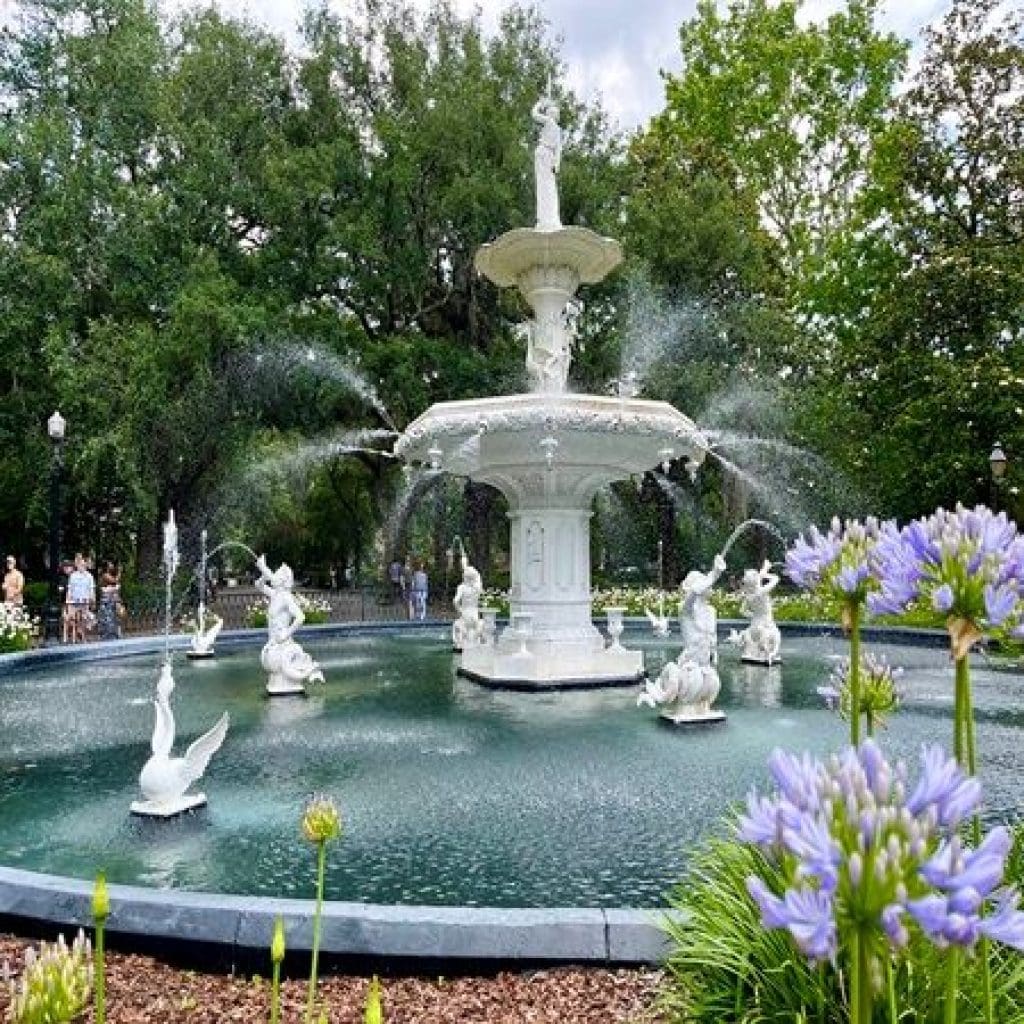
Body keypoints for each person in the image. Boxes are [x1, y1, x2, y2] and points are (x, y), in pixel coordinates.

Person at [65, 552, 96, 644]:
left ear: (85, 565)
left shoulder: (89, 576)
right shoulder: (73, 576)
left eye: (83, 565)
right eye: (80, 565)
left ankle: (81, 634)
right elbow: (70, 589)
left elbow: (91, 589)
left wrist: (92, 599)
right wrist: (68, 600)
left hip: (85, 600)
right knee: (71, 618)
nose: (81, 566)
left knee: (87, 618)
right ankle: (73, 636)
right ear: (77, 565)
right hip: (73, 601)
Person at [97, 561, 121, 640]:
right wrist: (119, 573)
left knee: (113, 617)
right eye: (110, 564)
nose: (112, 566)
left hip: (111, 599)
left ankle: (113, 634)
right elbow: (114, 581)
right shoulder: (105, 575)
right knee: (108, 617)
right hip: (107, 599)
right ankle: (106, 634)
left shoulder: (108, 574)